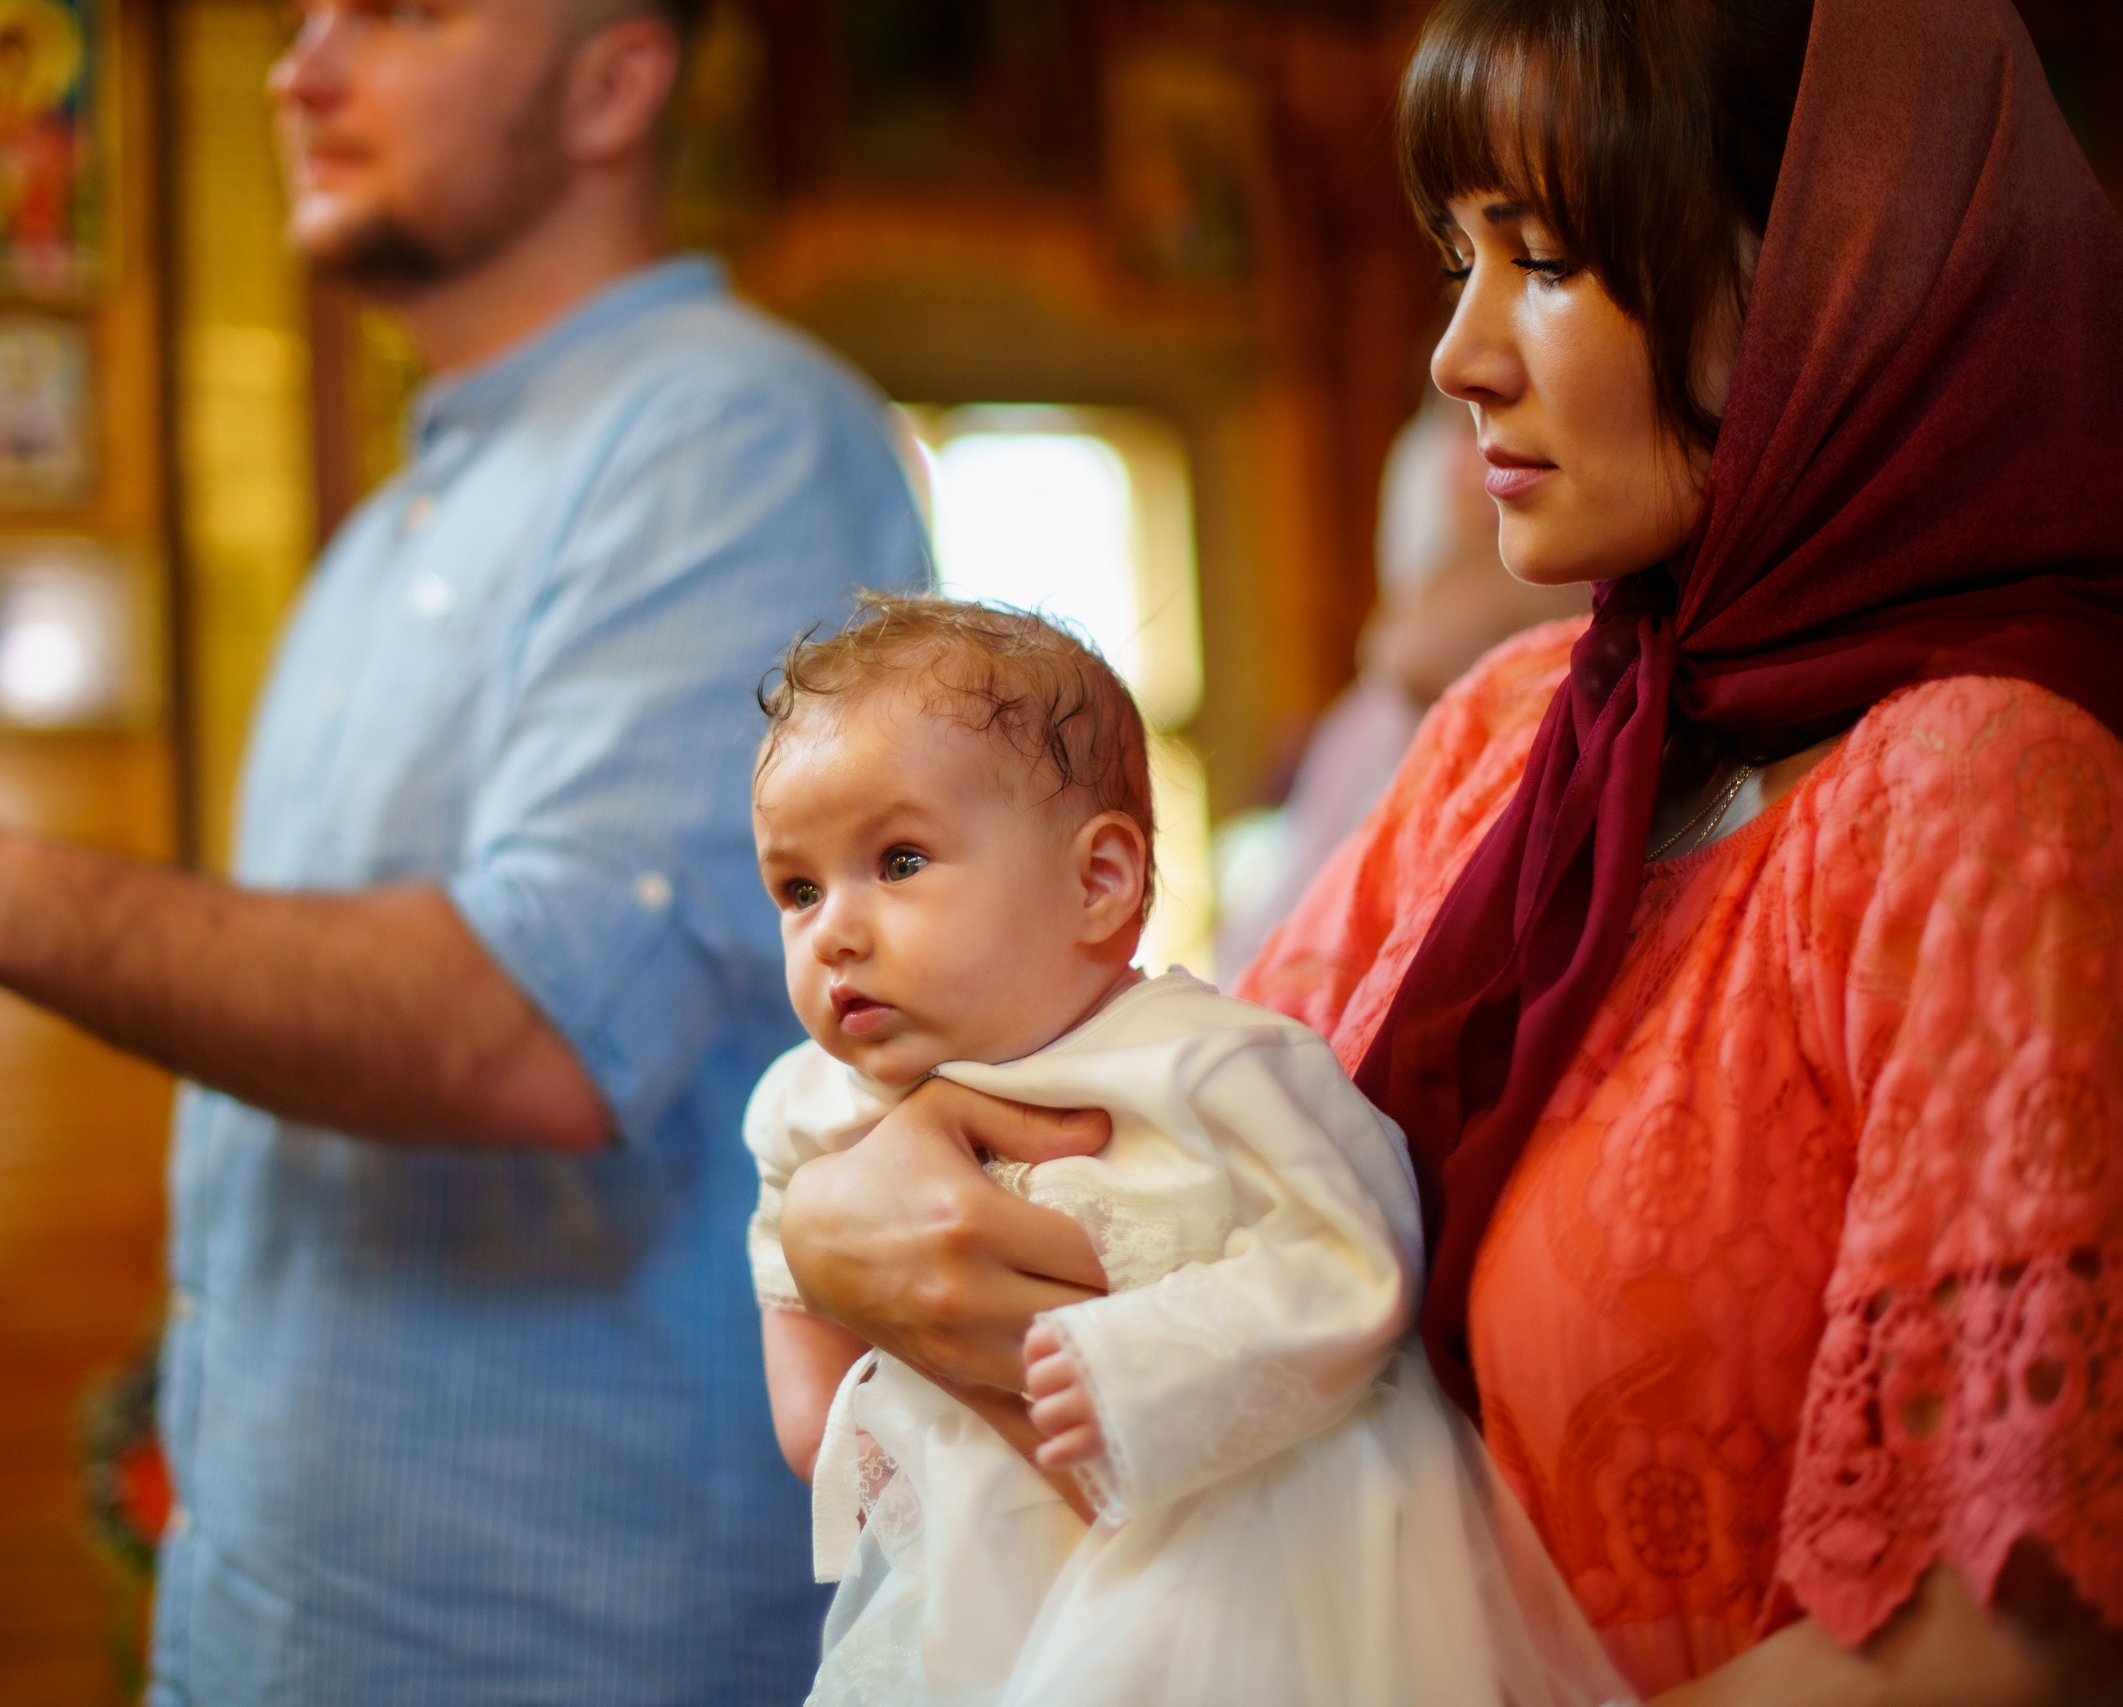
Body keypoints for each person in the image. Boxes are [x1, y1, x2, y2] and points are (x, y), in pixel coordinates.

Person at [771, 0, 2123, 1702]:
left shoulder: (1984, 788)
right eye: (1455, 259)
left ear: (1840, 274)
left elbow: (2001, 1639)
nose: (1458, 354)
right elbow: (1174, 1152)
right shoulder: (1516, 731)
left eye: (1548, 259)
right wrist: (833, 1218)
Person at [0, 0, 930, 1700]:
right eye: (304, 19)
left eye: (395, 13)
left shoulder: (733, 435)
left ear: (613, 76)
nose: (297, 67)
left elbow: (532, 1026)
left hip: (573, 1643)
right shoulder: (394, 524)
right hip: (279, 1622)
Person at [740, 598, 1619, 1707]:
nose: (834, 932)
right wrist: (840, 1426)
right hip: (969, 1574)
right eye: (798, 889)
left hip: (1225, 1554)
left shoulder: (1207, 1067)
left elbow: (1352, 1260)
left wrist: (1141, 1371)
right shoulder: (814, 1101)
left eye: (900, 860)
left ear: (1097, 881)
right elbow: (799, 1338)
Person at [1212, 395, 1586, 966]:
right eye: (1458, 428)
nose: (1472, 458)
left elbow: (1409, 654)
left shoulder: (1542, 589)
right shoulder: (1372, 704)